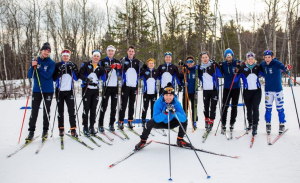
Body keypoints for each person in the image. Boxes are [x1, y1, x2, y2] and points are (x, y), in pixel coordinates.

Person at [135, 82, 191, 150]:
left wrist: (175, 112)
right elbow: (155, 118)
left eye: (170, 95)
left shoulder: (177, 103)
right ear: (163, 95)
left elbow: (183, 118)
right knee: (149, 123)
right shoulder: (158, 102)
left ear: (173, 96)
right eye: (166, 95)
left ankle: (180, 139)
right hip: (160, 122)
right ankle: (143, 141)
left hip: (171, 123)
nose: (168, 97)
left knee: (185, 121)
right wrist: (165, 113)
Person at [25, 42, 56, 141]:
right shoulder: (35, 60)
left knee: (46, 111)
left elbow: (48, 75)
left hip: (48, 90)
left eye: (48, 51)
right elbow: (30, 75)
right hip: (37, 90)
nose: (46, 53)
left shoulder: (51, 63)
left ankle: (45, 130)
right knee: (34, 111)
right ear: (41, 50)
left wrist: (39, 67)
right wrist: (32, 66)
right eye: (45, 50)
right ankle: (31, 132)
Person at [259, 50, 291, 135]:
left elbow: (282, 66)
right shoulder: (263, 64)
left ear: (272, 57)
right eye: (266, 57)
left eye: (269, 57)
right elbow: (256, 68)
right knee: (268, 108)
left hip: (277, 90)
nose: (267, 59)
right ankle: (268, 124)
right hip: (268, 91)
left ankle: (282, 124)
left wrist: (286, 68)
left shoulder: (276, 63)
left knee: (280, 108)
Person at [234, 52, 263, 135]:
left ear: (254, 60)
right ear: (247, 60)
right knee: (249, 108)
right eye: (249, 59)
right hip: (247, 91)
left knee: (255, 108)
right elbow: (236, 80)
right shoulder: (243, 68)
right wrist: (237, 71)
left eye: (252, 59)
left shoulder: (258, 67)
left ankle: (255, 125)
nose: (250, 60)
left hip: (257, 91)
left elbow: (265, 74)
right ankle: (250, 123)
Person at [52, 49, 79, 137]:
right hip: (59, 91)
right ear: (62, 57)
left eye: (67, 56)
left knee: (71, 111)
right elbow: (54, 78)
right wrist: (60, 71)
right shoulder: (57, 65)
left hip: (69, 91)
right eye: (64, 56)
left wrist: (74, 69)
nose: (65, 57)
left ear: (69, 57)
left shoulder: (72, 64)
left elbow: (76, 78)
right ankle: (61, 128)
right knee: (60, 111)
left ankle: (73, 129)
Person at [79, 50, 105, 136]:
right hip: (87, 88)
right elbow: (80, 74)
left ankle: (91, 126)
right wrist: (86, 79)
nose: (96, 58)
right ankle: (85, 127)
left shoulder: (100, 67)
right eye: (95, 56)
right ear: (92, 57)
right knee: (86, 109)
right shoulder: (86, 65)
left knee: (93, 109)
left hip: (95, 89)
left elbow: (104, 78)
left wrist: (106, 71)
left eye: (98, 56)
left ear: (99, 58)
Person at [98, 45, 121, 132]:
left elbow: (120, 73)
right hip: (106, 87)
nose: (110, 52)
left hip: (114, 87)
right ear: (107, 52)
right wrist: (105, 69)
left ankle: (111, 124)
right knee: (104, 106)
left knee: (113, 107)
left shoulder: (116, 61)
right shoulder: (103, 61)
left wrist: (119, 69)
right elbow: (100, 73)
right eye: (109, 51)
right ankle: (100, 124)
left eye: (112, 51)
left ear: (114, 52)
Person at [118, 45, 141, 130]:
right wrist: (121, 65)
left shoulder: (137, 61)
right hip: (126, 86)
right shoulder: (123, 60)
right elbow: (119, 72)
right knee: (123, 104)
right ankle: (121, 122)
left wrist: (141, 67)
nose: (131, 52)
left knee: (131, 104)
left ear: (134, 52)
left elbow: (140, 73)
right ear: (127, 51)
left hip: (134, 86)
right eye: (129, 51)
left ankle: (130, 121)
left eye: (132, 51)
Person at [198, 51, 222, 131]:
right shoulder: (199, 67)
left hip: (214, 89)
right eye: (203, 58)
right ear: (201, 59)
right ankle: (206, 121)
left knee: (213, 107)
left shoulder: (213, 66)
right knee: (206, 107)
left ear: (209, 57)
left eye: (206, 57)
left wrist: (217, 65)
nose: (205, 59)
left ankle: (211, 122)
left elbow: (221, 75)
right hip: (205, 90)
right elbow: (198, 75)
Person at [219, 48, 241, 133]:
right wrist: (219, 67)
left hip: (236, 88)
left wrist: (239, 67)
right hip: (227, 88)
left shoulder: (236, 63)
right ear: (225, 56)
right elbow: (220, 74)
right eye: (227, 55)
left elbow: (241, 71)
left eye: (230, 55)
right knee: (225, 106)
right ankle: (223, 123)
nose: (229, 56)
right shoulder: (224, 64)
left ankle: (232, 123)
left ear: (232, 55)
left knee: (234, 106)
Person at [179, 55, 198, 129]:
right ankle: (184, 122)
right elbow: (180, 79)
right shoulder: (184, 70)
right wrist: (183, 83)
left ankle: (194, 122)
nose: (190, 63)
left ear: (193, 62)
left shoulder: (195, 70)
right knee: (185, 108)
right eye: (188, 62)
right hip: (185, 92)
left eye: (191, 61)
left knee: (194, 108)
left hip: (194, 92)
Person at [139, 58, 159, 127]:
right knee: (145, 107)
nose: (151, 64)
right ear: (147, 64)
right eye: (150, 63)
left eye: (152, 63)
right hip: (146, 92)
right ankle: (143, 120)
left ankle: (152, 121)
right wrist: (141, 69)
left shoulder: (156, 72)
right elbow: (138, 76)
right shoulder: (145, 71)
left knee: (153, 107)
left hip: (154, 92)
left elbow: (161, 78)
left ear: (154, 64)